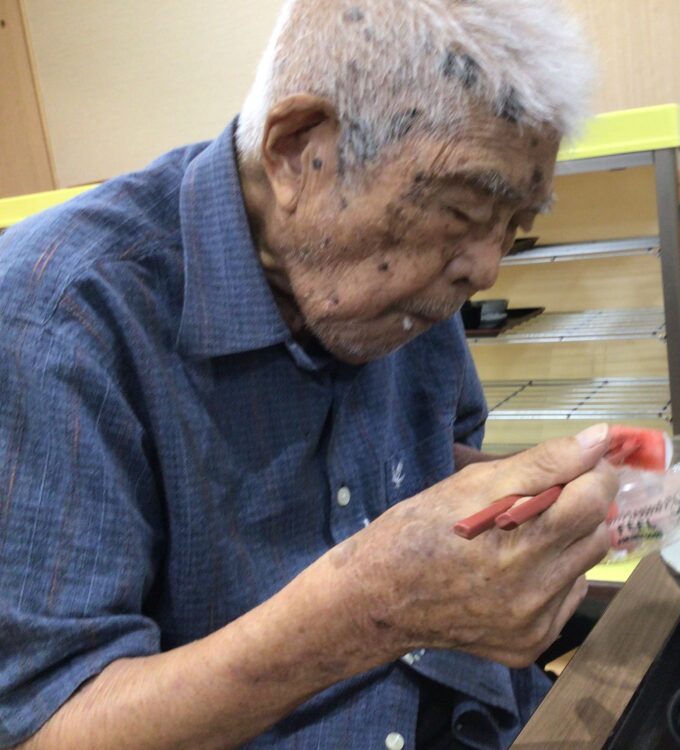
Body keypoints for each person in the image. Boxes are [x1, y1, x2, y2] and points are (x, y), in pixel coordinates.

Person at [0, 1, 618, 748]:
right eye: (460, 211)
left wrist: (549, 499)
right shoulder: (59, 314)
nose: (484, 268)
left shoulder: (403, 283)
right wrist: (372, 609)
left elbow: (422, 462)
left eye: (515, 226)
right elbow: (49, 728)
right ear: (297, 150)